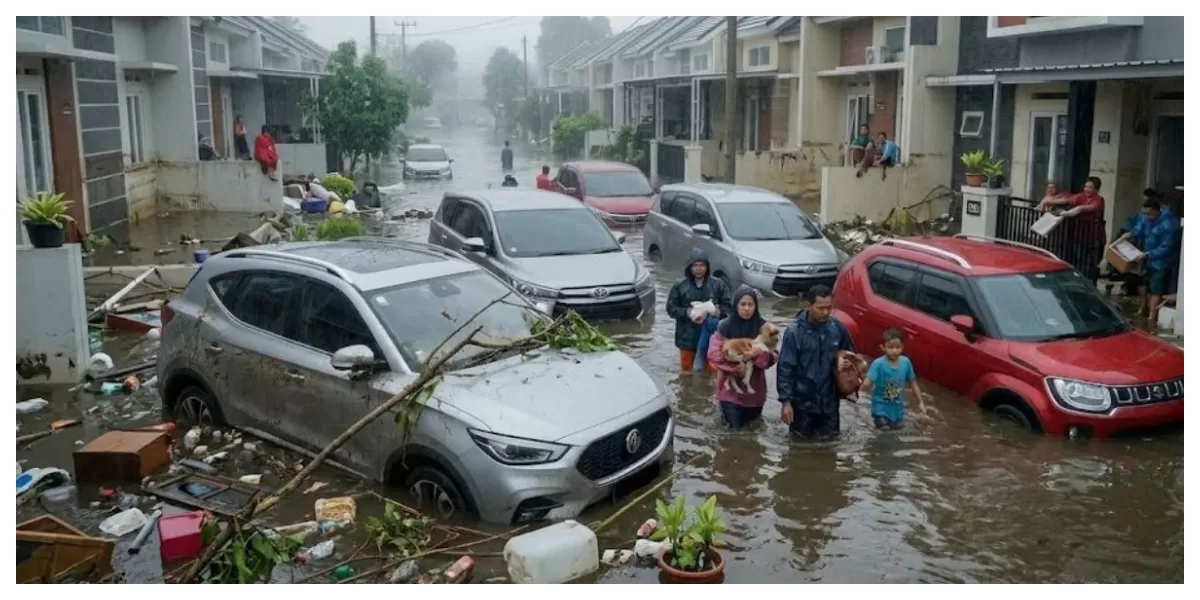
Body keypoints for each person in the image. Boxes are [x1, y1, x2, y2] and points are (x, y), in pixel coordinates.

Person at [776, 285, 855, 440]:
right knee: (799, 446)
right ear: (809, 305)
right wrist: (786, 402)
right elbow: (785, 368)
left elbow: (850, 354)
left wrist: (844, 361)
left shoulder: (837, 328)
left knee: (831, 445)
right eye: (820, 308)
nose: (825, 312)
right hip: (802, 403)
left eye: (829, 308)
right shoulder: (794, 332)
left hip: (829, 401)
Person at [706, 286, 779, 428]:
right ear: (736, 306)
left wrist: (756, 355)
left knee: (752, 431)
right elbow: (713, 354)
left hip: (755, 393)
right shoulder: (724, 326)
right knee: (732, 431)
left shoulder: (765, 328)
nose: (747, 308)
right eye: (743, 304)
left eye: (750, 305)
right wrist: (735, 367)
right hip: (729, 392)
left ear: (756, 306)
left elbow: (774, 356)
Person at [666, 248, 732, 373]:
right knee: (686, 372)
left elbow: (729, 310)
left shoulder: (718, 285)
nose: (698, 268)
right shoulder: (680, 285)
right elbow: (670, 308)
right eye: (695, 265)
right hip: (686, 337)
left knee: (711, 372)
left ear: (707, 267)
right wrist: (688, 312)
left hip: (712, 337)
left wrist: (717, 312)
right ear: (690, 267)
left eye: (702, 265)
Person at [1125, 198, 1179, 322]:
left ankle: (1152, 315)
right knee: (1143, 284)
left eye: (1149, 214)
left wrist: (1149, 254)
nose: (1146, 217)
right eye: (1144, 213)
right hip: (1145, 256)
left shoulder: (1168, 225)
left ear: (1157, 211)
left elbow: (1166, 247)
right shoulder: (1145, 219)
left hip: (1160, 261)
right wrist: (1123, 239)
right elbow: (1137, 230)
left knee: (1156, 287)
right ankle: (1143, 308)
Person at [859, 329, 925, 430]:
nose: (894, 351)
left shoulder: (905, 363)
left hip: (897, 409)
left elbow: (913, 382)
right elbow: (867, 383)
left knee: (898, 429)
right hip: (880, 408)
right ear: (882, 347)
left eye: (898, 347)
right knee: (884, 429)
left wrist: (921, 402)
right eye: (890, 347)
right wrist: (859, 396)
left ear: (902, 347)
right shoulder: (878, 364)